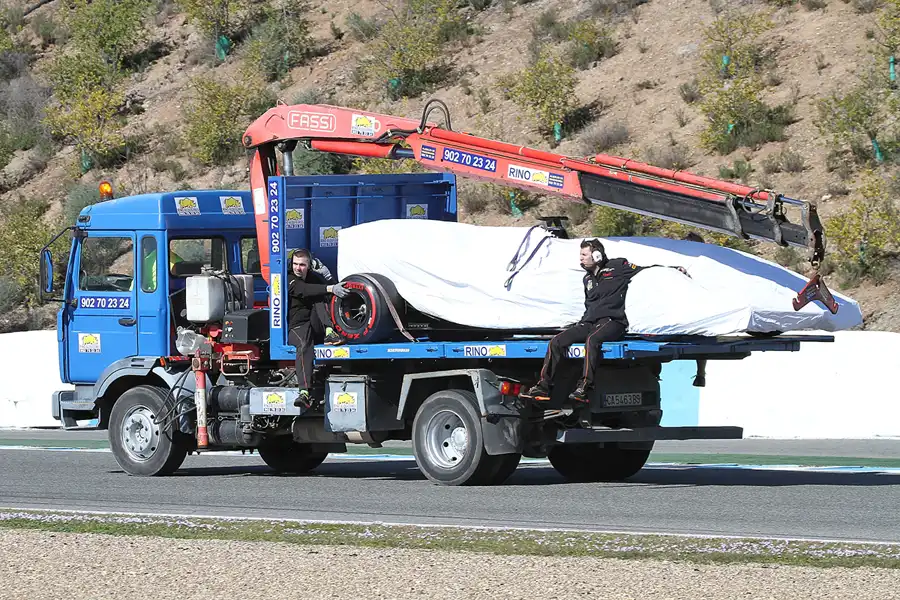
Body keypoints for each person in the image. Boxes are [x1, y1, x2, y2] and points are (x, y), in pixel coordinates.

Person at [522, 239, 688, 404]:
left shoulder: (618, 266)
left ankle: (585, 387)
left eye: (584, 255)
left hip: (613, 321)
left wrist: (674, 269)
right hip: (589, 322)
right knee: (557, 342)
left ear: (597, 255)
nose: (581, 259)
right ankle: (543, 386)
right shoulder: (587, 279)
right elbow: (589, 305)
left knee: (592, 340)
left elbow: (647, 271)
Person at [286, 249, 349, 408]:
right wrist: (329, 287)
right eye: (295, 264)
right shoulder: (288, 278)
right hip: (297, 326)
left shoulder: (314, 277)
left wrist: (328, 279)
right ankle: (304, 393)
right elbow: (303, 290)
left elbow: (332, 292)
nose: (298, 268)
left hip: (317, 324)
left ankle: (330, 333)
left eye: (302, 265)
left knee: (320, 297)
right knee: (304, 344)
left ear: (309, 265)